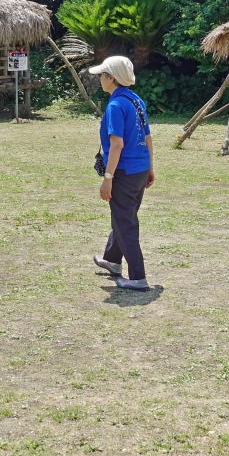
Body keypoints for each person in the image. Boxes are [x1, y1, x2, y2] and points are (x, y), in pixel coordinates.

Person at [89, 55, 154, 291]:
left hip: (124, 172)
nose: (99, 79)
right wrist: (150, 167)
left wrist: (108, 179)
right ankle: (112, 260)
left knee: (125, 222)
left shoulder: (115, 106)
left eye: (102, 75)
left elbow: (117, 144)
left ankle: (138, 277)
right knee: (123, 216)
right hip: (139, 169)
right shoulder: (136, 100)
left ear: (111, 78)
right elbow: (147, 137)